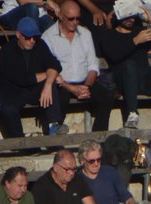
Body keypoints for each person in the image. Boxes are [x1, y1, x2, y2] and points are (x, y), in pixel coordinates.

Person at [43, 1, 112, 133]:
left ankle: (98, 136)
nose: (75, 22)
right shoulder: (48, 37)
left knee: (106, 96)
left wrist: (87, 86)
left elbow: (93, 65)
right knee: (59, 98)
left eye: (77, 18)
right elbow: (49, 68)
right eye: (71, 18)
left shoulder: (85, 34)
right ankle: (56, 137)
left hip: (84, 82)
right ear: (61, 16)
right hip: (62, 84)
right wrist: (70, 88)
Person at [98, 8, 151, 129]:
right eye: (127, 15)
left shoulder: (140, 31)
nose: (130, 19)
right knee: (129, 65)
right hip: (123, 83)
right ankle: (132, 113)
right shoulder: (109, 35)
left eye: (133, 16)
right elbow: (114, 56)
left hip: (144, 80)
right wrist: (136, 41)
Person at [0, 16, 66, 138]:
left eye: (35, 37)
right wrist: (50, 74)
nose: (32, 40)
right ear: (18, 35)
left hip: (32, 90)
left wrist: (49, 83)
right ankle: (19, 142)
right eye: (28, 37)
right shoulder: (7, 50)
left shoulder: (40, 45)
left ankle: (54, 126)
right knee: (8, 108)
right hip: (12, 91)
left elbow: (55, 64)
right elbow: (22, 78)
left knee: (53, 86)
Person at [32, 149, 114, 204]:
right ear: (55, 167)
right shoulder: (42, 186)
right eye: (67, 169)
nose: (71, 173)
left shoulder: (77, 180)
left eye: (74, 169)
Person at [78, 140, 139, 204]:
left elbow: (125, 196)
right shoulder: (77, 180)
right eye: (91, 161)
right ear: (82, 161)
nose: (96, 163)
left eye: (99, 159)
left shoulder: (110, 172)